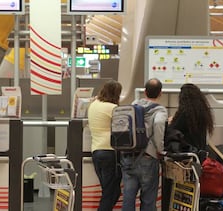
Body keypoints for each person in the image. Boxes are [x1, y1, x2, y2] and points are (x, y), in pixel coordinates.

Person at [120, 78, 168, 211]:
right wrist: (160, 149)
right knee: (148, 199)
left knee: (128, 197)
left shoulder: (133, 106)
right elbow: (158, 124)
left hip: (129, 155)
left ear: (145, 92)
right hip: (148, 156)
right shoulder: (160, 110)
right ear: (160, 93)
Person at [87, 80, 122, 211]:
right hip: (110, 152)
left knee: (112, 191)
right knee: (109, 193)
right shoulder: (112, 108)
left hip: (96, 152)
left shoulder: (93, 105)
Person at [168, 83, 214, 151]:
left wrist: (171, 121)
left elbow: (173, 130)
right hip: (199, 150)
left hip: (186, 151)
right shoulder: (202, 111)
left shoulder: (185, 113)